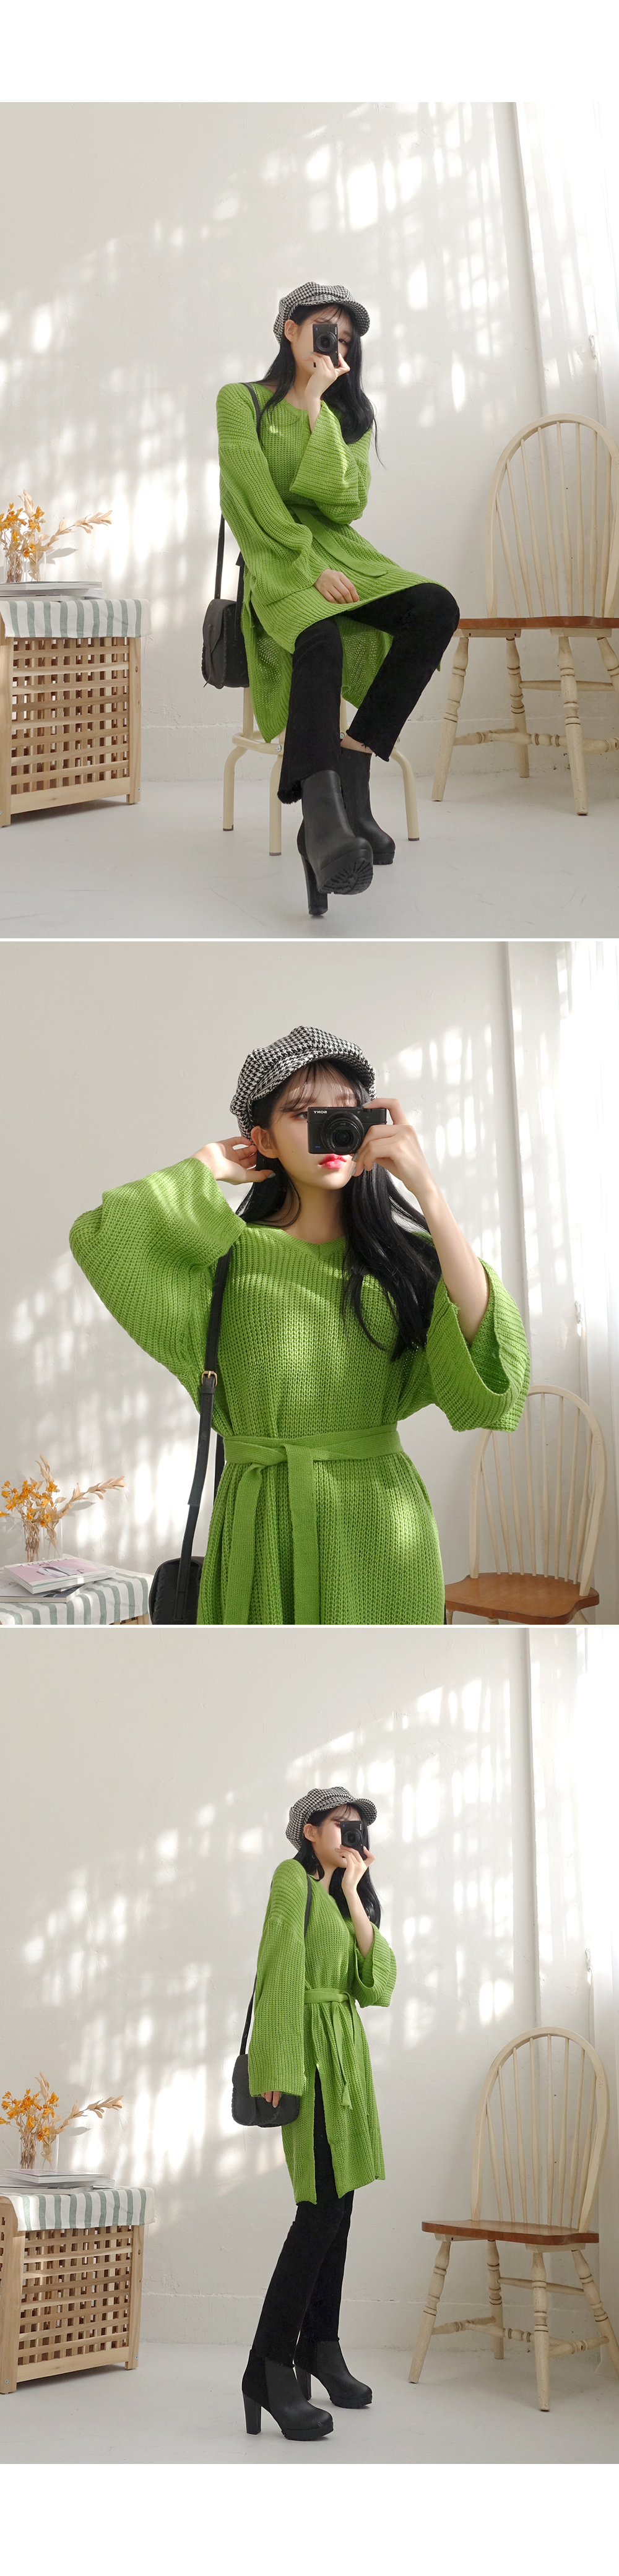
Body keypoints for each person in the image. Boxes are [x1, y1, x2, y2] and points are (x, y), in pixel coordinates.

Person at [68, 1024, 530, 1627]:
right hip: (259, 1528)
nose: (330, 1130)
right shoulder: (223, 1258)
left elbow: (489, 1370)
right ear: (262, 1138)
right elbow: (104, 1238)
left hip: (383, 1533)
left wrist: (427, 1190)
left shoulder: (403, 1260)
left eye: (346, 1111)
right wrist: (202, 1169)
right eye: (304, 1113)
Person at [217, 280, 459, 912]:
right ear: (290, 329)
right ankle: (322, 819)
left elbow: (345, 503)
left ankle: (355, 761)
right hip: (275, 560)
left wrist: (317, 407)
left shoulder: (349, 413)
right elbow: (251, 499)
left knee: (435, 606)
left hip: (345, 556)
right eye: (326, 332)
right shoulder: (240, 401)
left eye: (345, 340)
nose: (335, 347)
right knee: (318, 635)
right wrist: (306, 566)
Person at [241, 1788, 396, 2441]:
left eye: (358, 1827)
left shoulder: (345, 1897)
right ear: (310, 1830)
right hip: (305, 2055)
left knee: (341, 2206)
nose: (352, 1833)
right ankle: (269, 2365)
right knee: (319, 2209)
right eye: (341, 1823)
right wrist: (276, 2065)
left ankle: (321, 2349)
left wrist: (355, 1892)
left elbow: (376, 1983)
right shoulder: (291, 1880)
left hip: (346, 2057)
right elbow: (276, 1966)